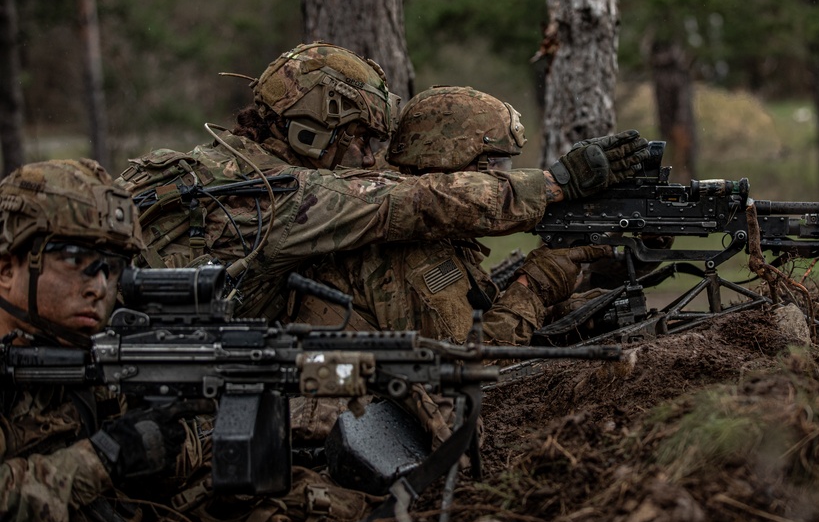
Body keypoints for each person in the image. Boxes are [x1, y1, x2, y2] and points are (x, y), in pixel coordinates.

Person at [117, 42, 651, 323]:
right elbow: (425, 201)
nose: (368, 156)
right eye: (359, 139)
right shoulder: (289, 196)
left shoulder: (180, 167)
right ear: (309, 132)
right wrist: (559, 184)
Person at [291, 85, 613, 345]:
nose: (502, 179)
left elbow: (484, 318)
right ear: (448, 165)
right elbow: (477, 368)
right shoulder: (408, 254)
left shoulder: (436, 236)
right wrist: (533, 288)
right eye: (493, 167)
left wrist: (598, 301)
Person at [0, 159, 197, 522]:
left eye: (111, 266)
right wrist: (102, 458)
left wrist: (165, 429)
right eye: (75, 260)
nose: (100, 287)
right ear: (7, 269)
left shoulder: (78, 350)